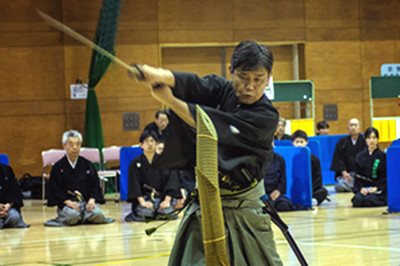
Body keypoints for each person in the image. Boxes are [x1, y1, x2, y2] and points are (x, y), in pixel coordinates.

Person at [130, 40, 282, 265]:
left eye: (258, 80)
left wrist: (169, 100)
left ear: (269, 78)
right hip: (206, 206)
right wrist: (156, 74)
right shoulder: (224, 91)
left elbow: (215, 123)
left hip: (244, 212)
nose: (250, 86)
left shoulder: (266, 117)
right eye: (243, 77)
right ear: (231, 71)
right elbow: (197, 86)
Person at [45, 130, 114, 226]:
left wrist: (92, 200)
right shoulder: (58, 167)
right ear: (64, 146)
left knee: (98, 215)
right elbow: (55, 188)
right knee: (72, 216)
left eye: (78, 144)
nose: (75, 147)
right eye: (71, 144)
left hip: (85, 203)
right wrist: (67, 202)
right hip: (68, 205)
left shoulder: (87, 165)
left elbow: (95, 184)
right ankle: (80, 217)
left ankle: (82, 216)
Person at [125, 131, 182, 222]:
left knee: (167, 212)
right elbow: (134, 184)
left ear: (156, 144)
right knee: (146, 213)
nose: (150, 144)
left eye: (152, 141)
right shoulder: (135, 163)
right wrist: (143, 202)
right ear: (141, 145)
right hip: (145, 198)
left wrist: (167, 201)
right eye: (147, 141)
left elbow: (172, 181)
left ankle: (160, 211)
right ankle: (151, 212)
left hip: (161, 198)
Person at [263, 142, 308, 212]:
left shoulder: (279, 158)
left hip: (274, 193)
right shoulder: (254, 160)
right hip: (260, 194)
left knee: (284, 205)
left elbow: (282, 179)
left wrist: (278, 191)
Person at [352, 127, 387, 207]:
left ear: (377, 139)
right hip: (364, 188)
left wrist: (376, 188)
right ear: (366, 139)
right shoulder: (359, 156)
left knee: (369, 200)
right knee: (358, 200)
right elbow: (357, 176)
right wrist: (361, 188)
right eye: (369, 138)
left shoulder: (383, 156)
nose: (371, 140)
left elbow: (384, 176)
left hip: (377, 189)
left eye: (374, 138)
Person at [292, 130, 329, 205]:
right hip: (298, 188)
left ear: (306, 143)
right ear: (293, 143)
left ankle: (313, 200)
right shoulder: (294, 158)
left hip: (312, 189)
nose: (299, 144)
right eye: (297, 142)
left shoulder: (314, 159)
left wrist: (309, 190)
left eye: (301, 142)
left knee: (323, 191)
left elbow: (318, 178)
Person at [331, 118, 367, 192]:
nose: (353, 127)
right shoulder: (342, 142)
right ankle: (357, 188)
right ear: (348, 128)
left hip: (361, 175)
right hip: (347, 175)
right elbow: (338, 159)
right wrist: (344, 173)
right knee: (340, 186)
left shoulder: (365, 142)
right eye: (351, 125)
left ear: (360, 128)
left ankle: (357, 187)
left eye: (355, 125)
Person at [0, 162, 29, 229]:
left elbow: (14, 191)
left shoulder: (6, 170)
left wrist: (7, 206)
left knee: (14, 217)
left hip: (5, 208)